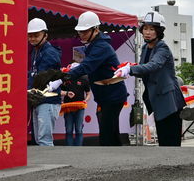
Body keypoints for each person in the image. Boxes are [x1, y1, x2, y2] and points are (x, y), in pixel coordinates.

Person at [116, 11, 185, 146]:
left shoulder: (162, 48)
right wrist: (128, 68)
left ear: (159, 31)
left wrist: (130, 69)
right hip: (156, 100)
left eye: (152, 29)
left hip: (169, 101)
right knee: (163, 141)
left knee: (171, 143)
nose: (147, 32)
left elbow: (153, 66)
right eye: (145, 28)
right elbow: (143, 68)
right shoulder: (145, 47)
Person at [61, 11, 128, 147]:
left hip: (112, 96)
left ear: (95, 30)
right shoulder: (95, 45)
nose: (81, 35)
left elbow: (86, 67)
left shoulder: (101, 46)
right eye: (80, 31)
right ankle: (119, 163)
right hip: (108, 96)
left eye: (84, 31)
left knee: (106, 134)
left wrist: (63, 77)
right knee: (111, 132)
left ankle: (109, 163)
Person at [28, 18, 62, 146]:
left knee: (44, 140)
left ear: (45, 35)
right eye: (30, 36)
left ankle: (52, 165)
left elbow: (42, 77)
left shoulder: (49, 53)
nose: (32, 39)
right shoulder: (35, 51)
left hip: (48, 100)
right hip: (39, 100)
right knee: (39, 139)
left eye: (36, 35)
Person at [60, 73, 91, 146]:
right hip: (68, 107)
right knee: (69, 130)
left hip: (80, 107)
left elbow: (88, 93)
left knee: (79, 129)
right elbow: (61, 92)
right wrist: (61, 101)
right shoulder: (66, 80)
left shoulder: (84, 80)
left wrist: (86, 100)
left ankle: (78, 149)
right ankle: (69, 149)